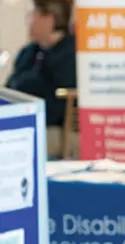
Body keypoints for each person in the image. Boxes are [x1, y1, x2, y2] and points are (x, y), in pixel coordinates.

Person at [6, 0, 76, 159]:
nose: (29, 21)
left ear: (48, 19)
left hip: (52, 127)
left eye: (33, 15)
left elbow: (58, 108)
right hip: (18, 124)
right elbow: (9, 90)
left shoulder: (69, 55)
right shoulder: (28, 52)